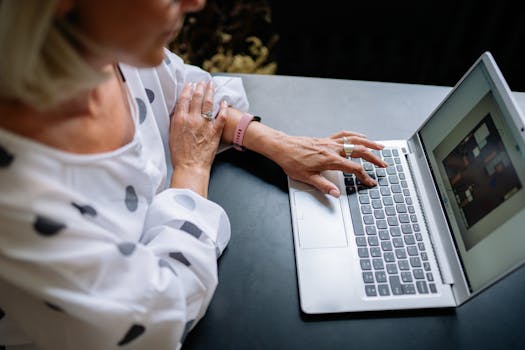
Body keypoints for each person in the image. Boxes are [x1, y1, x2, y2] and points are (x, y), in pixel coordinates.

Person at [0, 0, 387, 349]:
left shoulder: (109, 50)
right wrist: (191, 170)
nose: (195, 3)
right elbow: (153, 323)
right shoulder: (20, 192)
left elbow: (191, 89)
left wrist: (273, 141)